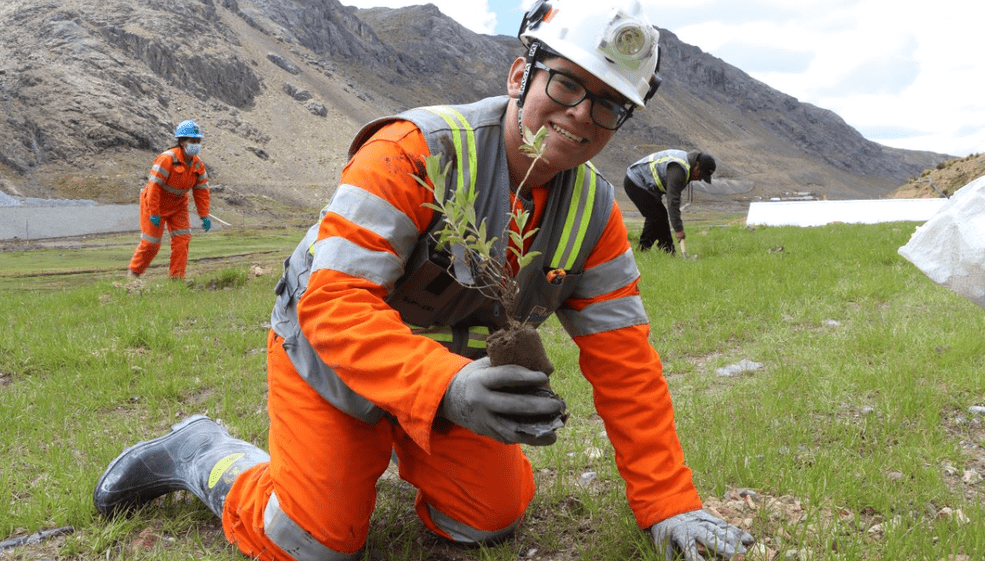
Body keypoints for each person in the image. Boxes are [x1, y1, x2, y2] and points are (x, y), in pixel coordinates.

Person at [94, 2, 754, 560]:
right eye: (567, 85)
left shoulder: (594, 214)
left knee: (489, 519)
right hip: (331, 357)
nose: (583, 113)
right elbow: (333, 305)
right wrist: (444, 386)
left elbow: (626, 365)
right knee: (309, 539)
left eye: (609, 104)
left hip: (451, 381)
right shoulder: (414, 151)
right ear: (522, 74)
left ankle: (397, 448)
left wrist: (668, 504)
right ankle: (203, 450)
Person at [126, 119, 212, 280]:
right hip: (155, 203)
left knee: (182, 240)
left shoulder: (198, 165)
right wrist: (154, 212)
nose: (196, 144)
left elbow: (202, 192)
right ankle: (133, 275)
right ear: (181, 142)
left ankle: (177, 278)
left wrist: (204, 215)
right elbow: (153, 187)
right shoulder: (166, 159)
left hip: (178, 205)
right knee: (151, 242)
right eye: (192, 141)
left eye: (198, 141)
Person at [623, 149, 715, 252]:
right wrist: (678, 229)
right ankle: (644, 250)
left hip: (645, 187)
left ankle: (668, 251)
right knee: (655, 216)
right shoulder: (678, 170)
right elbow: (672, 201)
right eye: (701, 175)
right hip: (635, 182)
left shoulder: (687, 165)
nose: (700, 179)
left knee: (660, 215)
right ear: (697, 166)